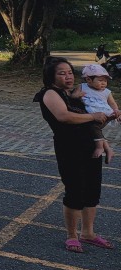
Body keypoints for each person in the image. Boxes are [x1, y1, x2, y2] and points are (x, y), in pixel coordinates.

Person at [34, 57, 113, 253]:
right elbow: (64, 116)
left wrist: (104, 143)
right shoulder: (50, 94)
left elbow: (92, 125)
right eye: (62, 73)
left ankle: (88, 233)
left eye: (70, 72)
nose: (68, 76)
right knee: (75, 191)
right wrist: (94, 116)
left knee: (92, 191)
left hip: (90, 147)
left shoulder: (76, 94)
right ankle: (72, 236)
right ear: (51, 76)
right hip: (69, 148)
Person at [77, 63, 119, 163]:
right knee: (93, 127)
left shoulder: (106, 92)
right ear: (88, 80)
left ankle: (100, 147)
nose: (103, 83)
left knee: (93, 127)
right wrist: (77, 95)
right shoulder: (82, 87)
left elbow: (112, 104)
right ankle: (108, 149)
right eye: (100, 80)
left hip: (104, 114)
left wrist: (116, 111)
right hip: (91, 114)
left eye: (105, 81)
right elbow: (73, 95)